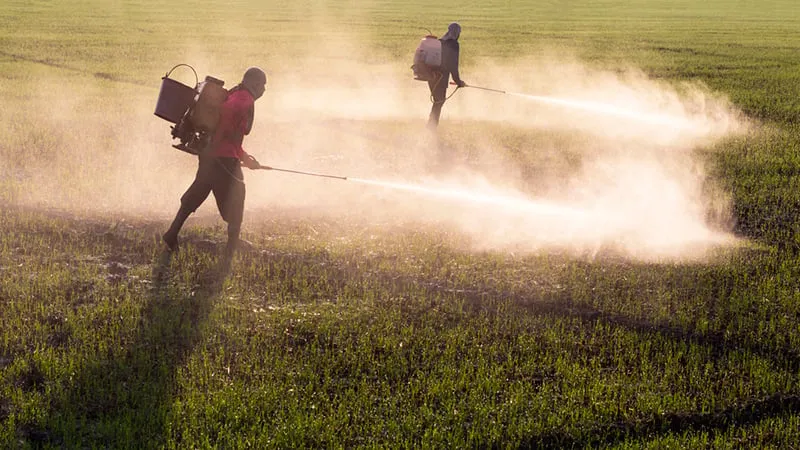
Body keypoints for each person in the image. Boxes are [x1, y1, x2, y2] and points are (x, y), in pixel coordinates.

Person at [163, 66, 267, 263]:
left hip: (210, 155)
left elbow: (231, 138)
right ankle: (231, 249)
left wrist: (245, 158)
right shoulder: (245, 99)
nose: (263, 90)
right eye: (262, 85)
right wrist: (230, 151)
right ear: (253, 83)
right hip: (224, 159)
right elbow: (229, 121)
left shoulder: (235, 93)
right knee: (237, 198)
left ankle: (171, 233)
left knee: (198, 192)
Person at [428, 22, 467, 129]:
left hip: (431, 77)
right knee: (439, 101)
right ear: (457, 33)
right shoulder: (454, 45)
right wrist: (458, 82)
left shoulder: (439, 42)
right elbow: (453, 66)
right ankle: (431, 127)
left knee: (438, 101)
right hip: (441, 78)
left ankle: (431, 126)